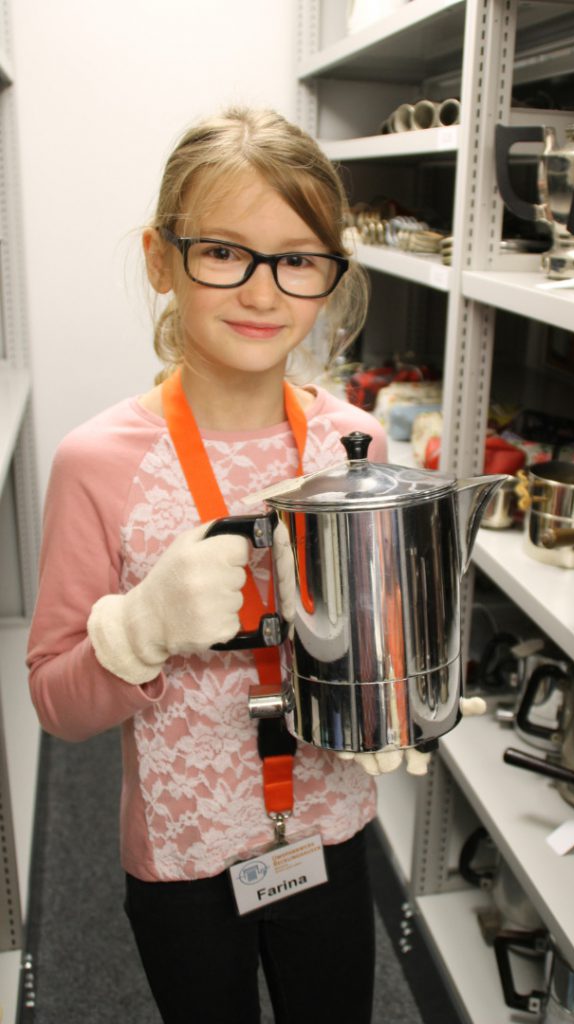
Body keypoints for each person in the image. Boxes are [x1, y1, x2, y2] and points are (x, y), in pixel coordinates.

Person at [27, 106, 483, 1024]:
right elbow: (54, 699)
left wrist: (403, 691)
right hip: (184, 855)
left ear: (330, 277)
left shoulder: (353, 440)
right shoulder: (96, 462)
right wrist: (141, 629)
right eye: (224, 252)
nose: (264, 291)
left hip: (327, 829)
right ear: (163, 259)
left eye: (299, 258)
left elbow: (373, 628)